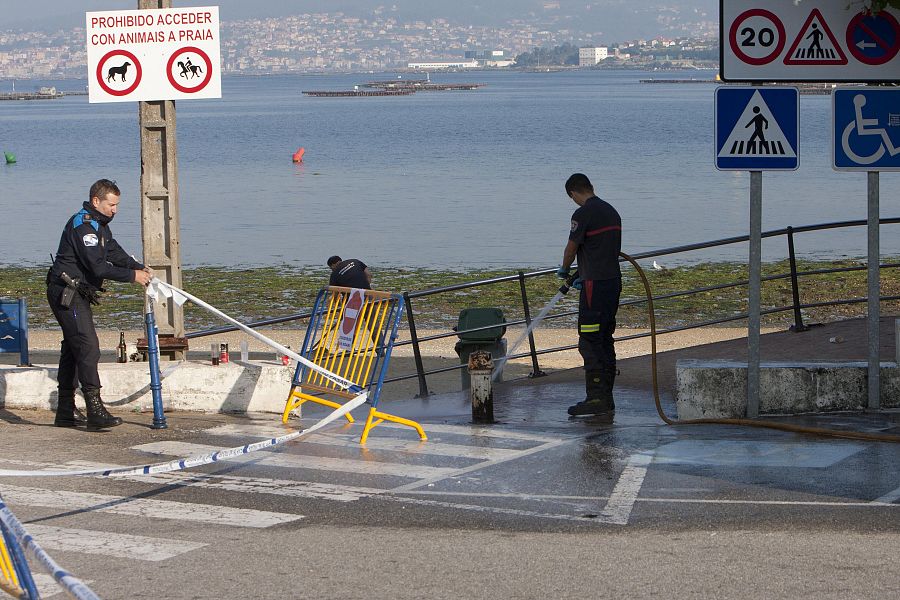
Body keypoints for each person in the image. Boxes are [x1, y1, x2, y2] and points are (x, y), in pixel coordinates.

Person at [46, 179, 153, 429]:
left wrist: (136, 266)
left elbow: (113, 252)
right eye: (111, 205)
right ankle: (95, 410)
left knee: (74, 349)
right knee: (88, 347)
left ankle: (65, 412)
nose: (115, 210)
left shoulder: (100, 226)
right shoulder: (83, 226)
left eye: (117, 205)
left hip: (77, 293)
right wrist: (132, 277)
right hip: (66, 293)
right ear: (96, 201)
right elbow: (98, 266)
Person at [557, 173, 622, 417]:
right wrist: (580, 273)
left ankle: (596, 399)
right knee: (605, 338)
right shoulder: (611, 211)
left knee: (590, 339)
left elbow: (571, 248)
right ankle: (607, 397)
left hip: (595, 286)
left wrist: (564, 270)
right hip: (612, 282)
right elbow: (602, 249)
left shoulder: (582, 214)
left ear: (573, 193)